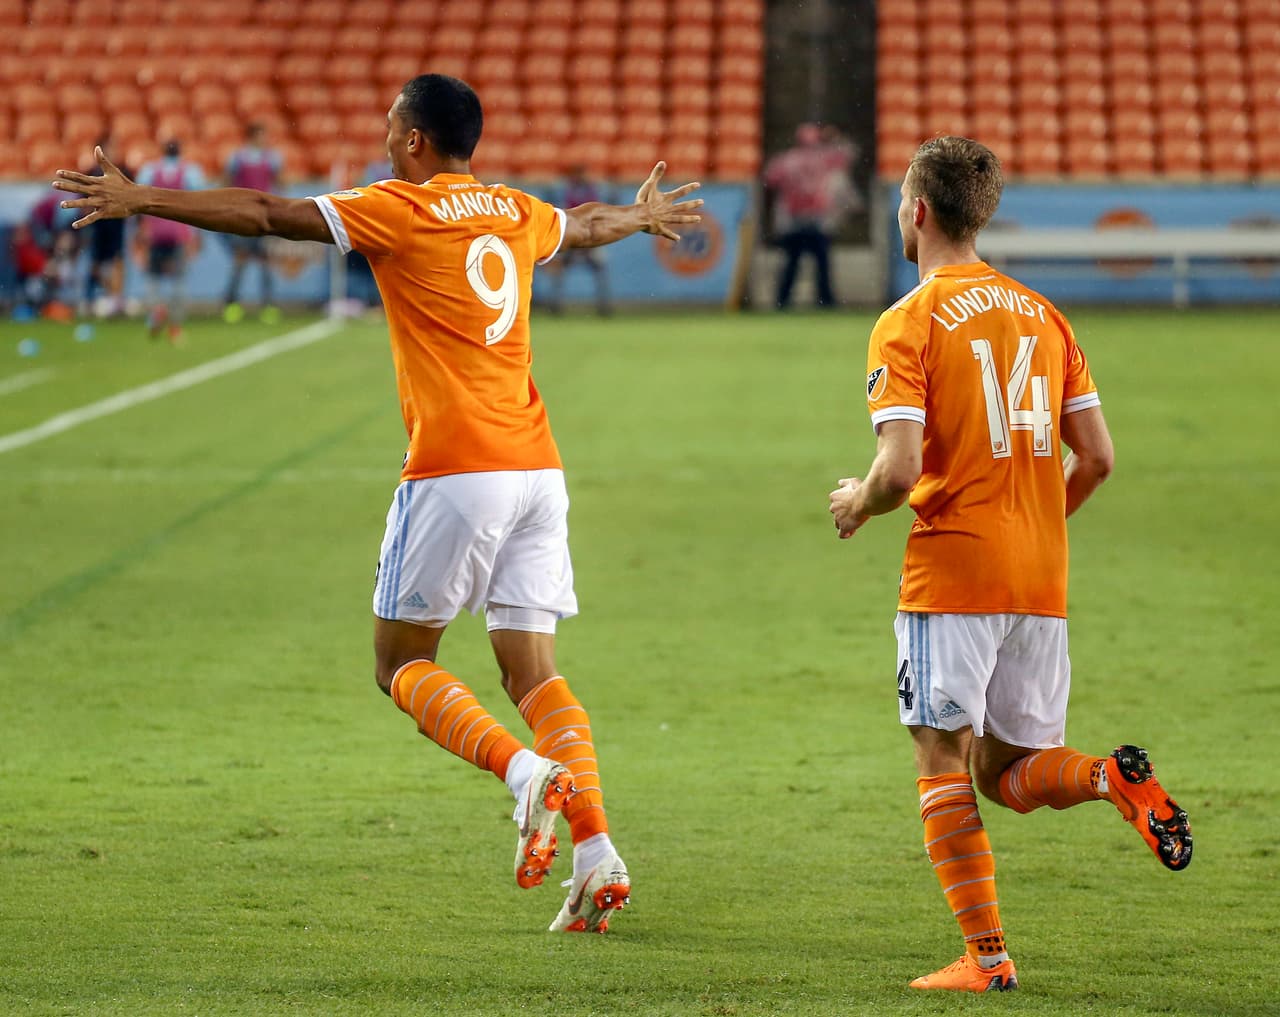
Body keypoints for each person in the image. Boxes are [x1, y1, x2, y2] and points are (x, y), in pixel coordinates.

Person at [54, 73, 701, 934]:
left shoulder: (399, 207)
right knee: (533, 670)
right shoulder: (513, 209)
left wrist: (144, 199)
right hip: (537, 467)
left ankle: (524, 774)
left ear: (417, 143)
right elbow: (582, 228)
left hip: (454, 468)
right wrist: (639, 216)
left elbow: (266, 213)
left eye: (393, 124)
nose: (384, 135)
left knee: (399, 663)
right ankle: (596, 851)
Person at [827, 136, 1191, 993]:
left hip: (953, 575)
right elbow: (1096, 456)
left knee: (942, 758)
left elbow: (902, 468)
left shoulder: (907, 319)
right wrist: (1032, 522)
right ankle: (1109, 777)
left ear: (915, 211)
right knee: (1009, 772)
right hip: (1040, 580)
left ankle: (987, 959)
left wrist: (856, 502)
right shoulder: (1044, 314)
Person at [762, 122, 855, 309]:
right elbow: (849, 154)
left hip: (792, 221)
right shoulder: (825, 158)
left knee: (791, 264)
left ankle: (782, 301)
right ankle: (825, 301)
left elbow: (769, 182)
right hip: (816, 220)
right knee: (822, 265)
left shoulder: (785, 160)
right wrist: (835, 137)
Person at [135, 140, 205, 342]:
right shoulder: (191, 172)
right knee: (179, 280)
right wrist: (197, 234)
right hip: (178, 233)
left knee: (153, 278)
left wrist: (141, 229)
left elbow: (138, 199)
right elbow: (199, 201)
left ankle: (157, 309)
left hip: (155, 233)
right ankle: (175, 327)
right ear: (180, 152)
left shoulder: (149, 171)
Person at [222, 123, 284, 323]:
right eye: (262, 136)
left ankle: (268, 306)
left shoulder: (272, 158)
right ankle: (231, 304)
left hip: (265, 216)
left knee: (265, 262)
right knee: (241, 261)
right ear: (252, 137)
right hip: (244, 215)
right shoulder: (237, 158)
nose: (265, 140)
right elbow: (227, 182)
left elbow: (280, 182)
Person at [546, 163, 611, 316]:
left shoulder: (588, 189)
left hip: (588, 238)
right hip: (574, 238)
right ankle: (556, 305)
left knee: (600, 270)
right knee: (561, 270)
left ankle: (603, 306)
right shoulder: (571, 189)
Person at [81, 136, 130, 318]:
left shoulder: (123, 172)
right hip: (98, 224)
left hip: (116, 223)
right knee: (96, 263)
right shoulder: (91, 172)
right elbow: (84, 199)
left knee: (117, 261)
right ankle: (89, 299)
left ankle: (115, 300)